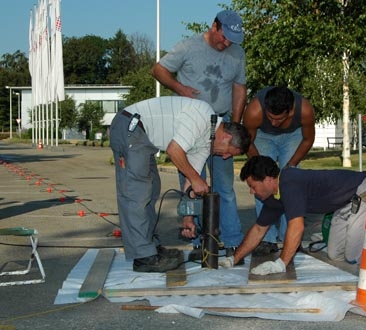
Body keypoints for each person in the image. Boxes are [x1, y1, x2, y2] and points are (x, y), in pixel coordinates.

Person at [220, 155, 366, 275]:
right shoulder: (272, 197)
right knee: (335, 255)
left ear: (267, 179)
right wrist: (234, 259)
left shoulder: (289, 182)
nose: (251, 191)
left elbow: (297, 226)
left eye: (252, 185)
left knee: (356, 256)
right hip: (346, 204)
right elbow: (258, 229)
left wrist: (281, 263)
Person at [109, 96, 250, 273]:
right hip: (130, 126)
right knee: (137, 193)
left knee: (151, 190)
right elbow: (174, 151)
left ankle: (150, 246)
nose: (225, 157)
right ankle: (143, 256)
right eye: (229, 152)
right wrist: (197, 180)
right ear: (227, 137)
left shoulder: (207, 143)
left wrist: (188, 217)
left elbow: (190, 181)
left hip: (143, 138)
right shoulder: (202, 116)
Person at [152, 10, 247, 258]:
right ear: (214, 26)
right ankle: (199, 241)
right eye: (224, 37)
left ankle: (232, 240)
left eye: (231, 40)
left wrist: (233, 127)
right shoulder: (188, 47)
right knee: (193, 183)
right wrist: (179, 87)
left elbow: (239, 89)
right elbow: (159, 70)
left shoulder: (237, 53)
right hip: (190, 125)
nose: (226, 44)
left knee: (224, 187)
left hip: (221, 124)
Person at [242, 86, 315, 255]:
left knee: (291, 183)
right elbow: (248, 142)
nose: (274, 123)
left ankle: (290, 238)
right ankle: (266, 240)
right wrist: (259, 166)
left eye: (278, 119)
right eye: (270, 117)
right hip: (262, 136)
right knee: (261, 183)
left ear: (290, 112)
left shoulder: (304, 110)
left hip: (293, 135)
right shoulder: (254, 111)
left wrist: (291, 166)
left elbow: (308, 139)